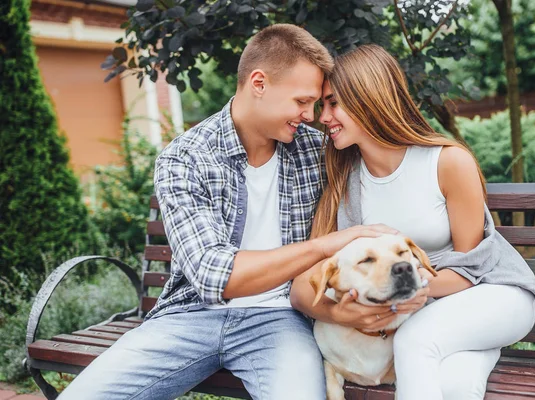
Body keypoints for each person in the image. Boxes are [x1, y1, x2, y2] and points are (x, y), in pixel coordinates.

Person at [58, 25, 398, 400]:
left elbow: (386, 161)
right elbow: (212, 275)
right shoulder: (185, 157)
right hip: (190, 316)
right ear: (259, 83)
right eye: (302, 101)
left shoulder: (318, 151)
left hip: (281, 320)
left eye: (315, 103)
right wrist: (324, 246)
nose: (310, 115)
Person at [290, 44, 535, 400]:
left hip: (493, 294)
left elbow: (472, 265)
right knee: (455, 386)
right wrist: (348, 311)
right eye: (322, 105)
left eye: (333, 103)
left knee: (415, 340)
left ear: (370, 98)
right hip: (427, 312)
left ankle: (472, 336)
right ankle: (475, 346)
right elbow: (307, 284)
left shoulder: (447, 162)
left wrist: (402, 294)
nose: (323, 117)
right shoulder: (345, 182)